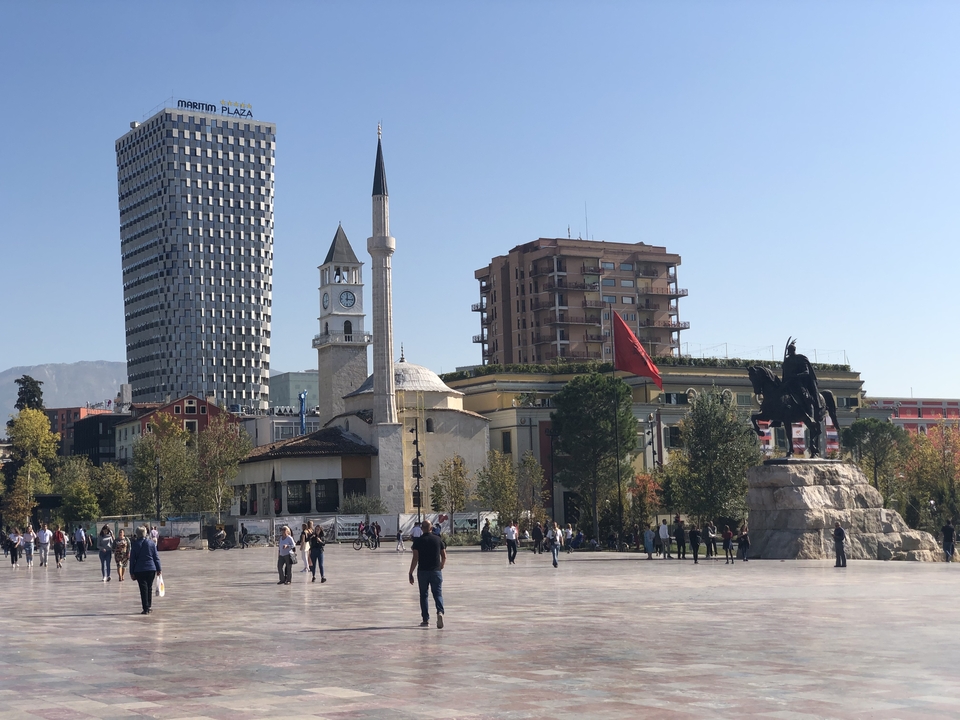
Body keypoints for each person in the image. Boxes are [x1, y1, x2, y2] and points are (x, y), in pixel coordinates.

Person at [408, 520, 446, 628]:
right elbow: (444, 556)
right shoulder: (438, 540)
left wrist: (410, 572)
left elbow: (415, 558)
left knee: (424, 595)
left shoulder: (418, 542)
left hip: (423, 572)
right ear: (431, 528)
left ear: (421, 528)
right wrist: (441, 566)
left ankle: (425, 620)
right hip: (436, 571)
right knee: (437, 594)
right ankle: (440, 612)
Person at [129, 526, 162, 614]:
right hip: (151, 568)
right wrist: (159, 568)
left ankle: (145, 607)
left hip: (139, 569)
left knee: (143, 589)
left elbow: (132, 559)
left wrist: (131, 572)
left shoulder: (135, 544)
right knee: (149, 587)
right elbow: (156, 557)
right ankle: (149, 606)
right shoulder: (151, 543)